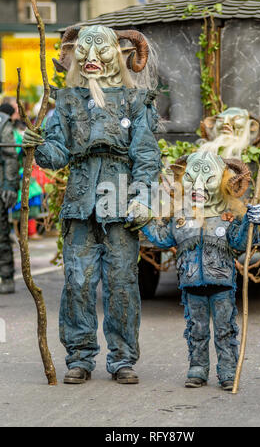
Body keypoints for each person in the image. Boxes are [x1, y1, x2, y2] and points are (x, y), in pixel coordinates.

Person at [22, 25, 161, 385]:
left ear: (117, 55)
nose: (93, 59)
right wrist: (38, 145)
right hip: (80, 201)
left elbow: (145, 155)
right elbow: (57, 154)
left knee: (122, 283)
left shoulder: (136, 101)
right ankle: (80, 357)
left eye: (101, 52)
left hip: (120, 202)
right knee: (78, 282)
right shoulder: (66, 100)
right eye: (85, 53)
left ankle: (123, 359)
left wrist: (143, 197)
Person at [141, 152, 260, 392]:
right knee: (196, 328)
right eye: (192, 178)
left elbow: (240, 244)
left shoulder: (228, 216)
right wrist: (143, 220)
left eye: (207, 179)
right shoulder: (181, 217)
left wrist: (251, 222)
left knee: (225, 329)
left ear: (222, 183)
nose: (198, 186)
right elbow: (164, 239)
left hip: (223, 285)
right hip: (191, 285)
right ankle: (197, 368)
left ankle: (228, 371)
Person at [0, 103, 19, 294]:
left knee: (1, 234)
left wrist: (9, 186)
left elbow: (10, 155)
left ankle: (6, 276)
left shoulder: (1, 122)